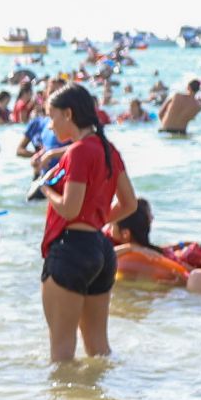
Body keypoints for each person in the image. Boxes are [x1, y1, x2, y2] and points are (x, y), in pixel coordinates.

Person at [39, 84, 135, 360]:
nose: (50, 124)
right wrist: (94, 219)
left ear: (68, 114)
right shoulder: (108, 150)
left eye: (51, 115)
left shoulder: (79, 152)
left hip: (71, 251)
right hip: (100, 251)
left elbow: (69, 210)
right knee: (99, 350)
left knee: (61, 352)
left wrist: (44, 187)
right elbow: (130, 204)